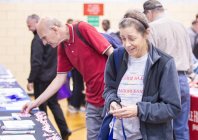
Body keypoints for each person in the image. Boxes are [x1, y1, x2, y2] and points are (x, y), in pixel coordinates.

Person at [22, 16, 114, 140]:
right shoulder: (63, 47)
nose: (44, 42)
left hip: (109, 97)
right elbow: (59, 79)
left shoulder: (82, 29)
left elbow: (113, 56)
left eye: (44, 37)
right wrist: (35, 102)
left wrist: (117, 93)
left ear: (55, 30)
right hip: (91, 99)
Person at [103, 9, 181, 140]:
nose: (127, 44)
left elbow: (172, 108)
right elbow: (109, 88)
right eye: (123, 38)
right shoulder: (116, 56)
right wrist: (112, 101)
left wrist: (139, 110)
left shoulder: (164, 62)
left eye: (132, 38)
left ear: (146, 34)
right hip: (118, 134)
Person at [143, 0, 197, 139]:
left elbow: (151, 59)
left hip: (164, 81)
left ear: (148, 13)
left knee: (163, 129)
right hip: (183, 79)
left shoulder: (151, 27)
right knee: (181, 128)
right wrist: (190, 74)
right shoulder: (180, 25)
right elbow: (189, 52)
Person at [26, 14, 71, 140]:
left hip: (42, 78)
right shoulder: (52, 39)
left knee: (42, 107)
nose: (29, 28)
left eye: (30, 25)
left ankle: (43, 130)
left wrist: (31, 79)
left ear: (36, 22)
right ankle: (64, 129)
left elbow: (36, 61)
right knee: (54, 104)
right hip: (53, 76)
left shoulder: (38, 39)